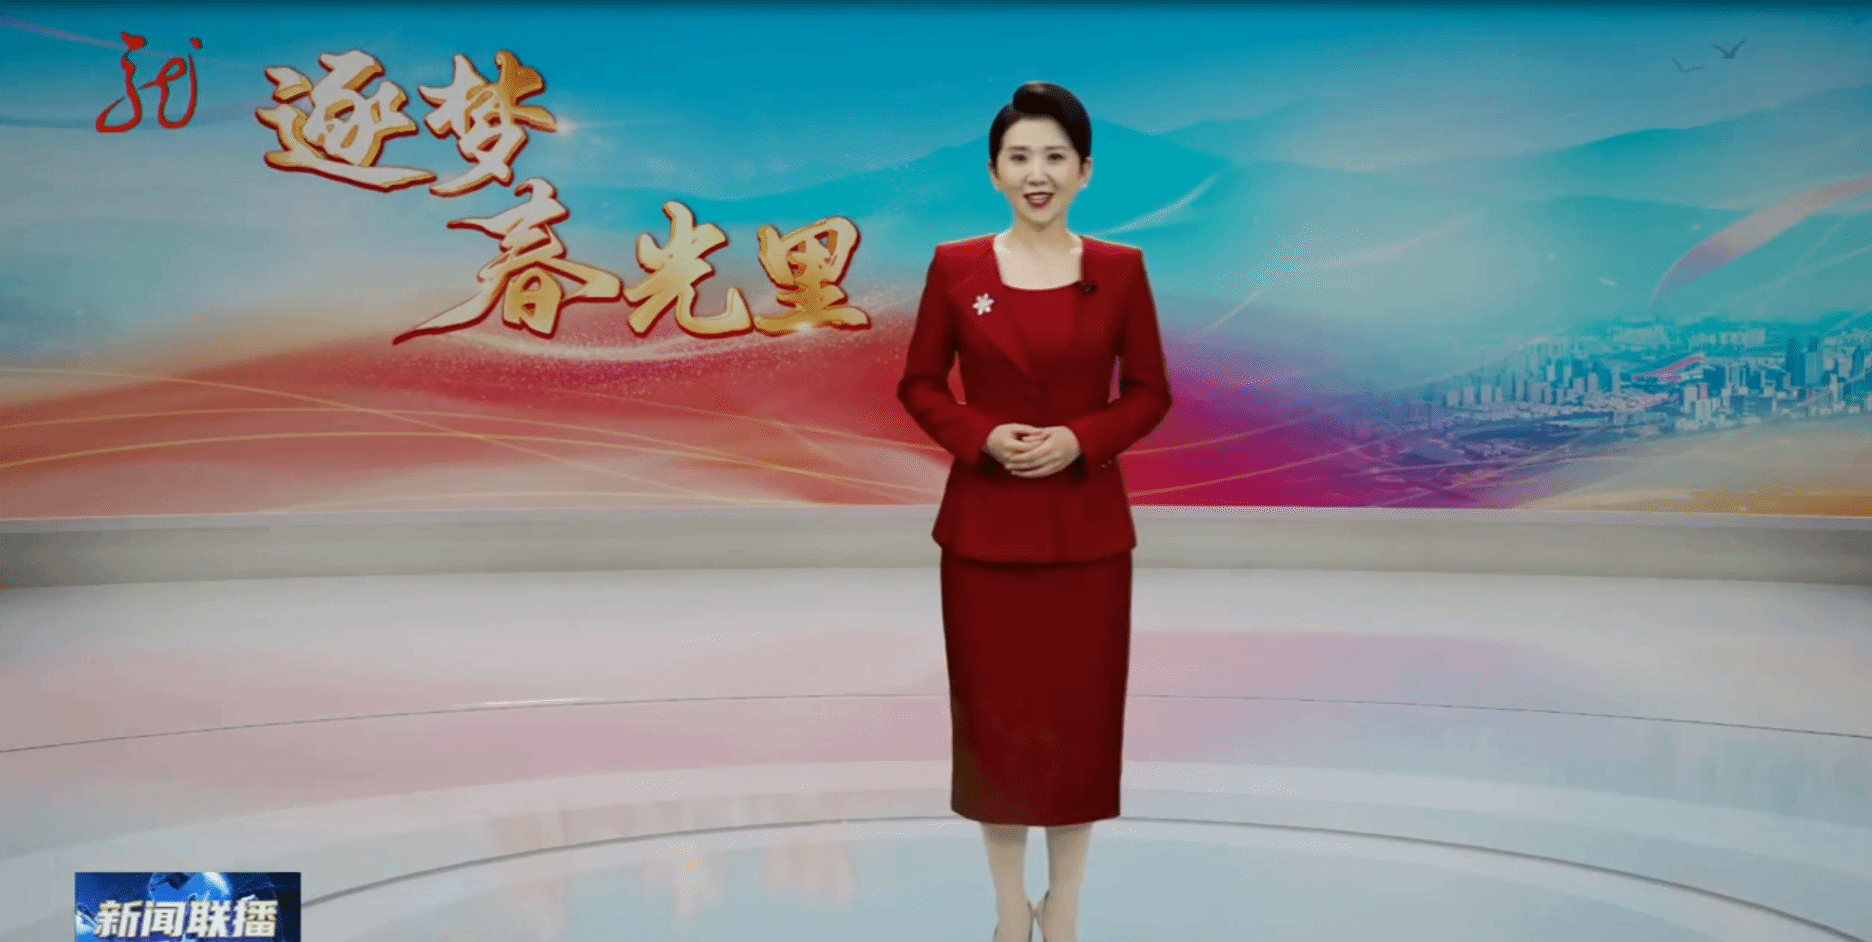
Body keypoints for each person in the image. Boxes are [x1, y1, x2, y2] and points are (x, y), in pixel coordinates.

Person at [896, 81, 1173, 942]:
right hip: (985, 533)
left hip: (1086, 533)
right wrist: (980, 435)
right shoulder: (956, 268)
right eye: (1019, 157)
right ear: (994, 172)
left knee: (1079, 724)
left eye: (1055, 156)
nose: (1037, 174)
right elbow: (919, 384)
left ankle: (1068, 909)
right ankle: (1010, 909)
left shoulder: (1120, 270)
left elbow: (1150, 392)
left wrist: (1082, 439)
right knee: (999, 726)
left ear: (1085, 171)